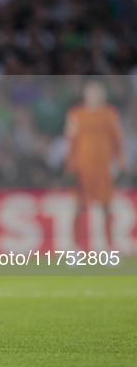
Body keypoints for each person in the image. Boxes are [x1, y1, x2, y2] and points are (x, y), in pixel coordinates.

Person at [65, 81, 125, 250]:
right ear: (85, 95)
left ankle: (109, 248)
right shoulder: (76, 114)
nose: (95, 96)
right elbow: (71, 143)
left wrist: (121, 165)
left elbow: (117, 143)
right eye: (92, 92)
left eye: (98, 92)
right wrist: (69, 168)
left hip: (103, 170)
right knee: (78, 208)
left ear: (103, 95)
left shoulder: (111, 114)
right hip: (82, 170)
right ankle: (76, 249)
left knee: (106, 208)